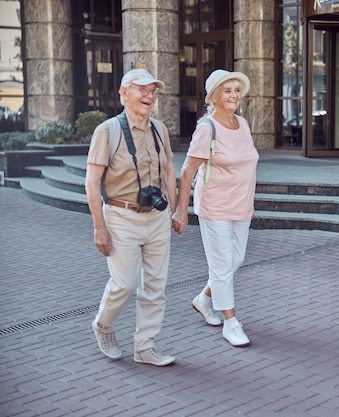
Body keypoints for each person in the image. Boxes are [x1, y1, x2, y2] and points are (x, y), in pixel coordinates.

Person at [85, 68, 178, 366]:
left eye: (153, 91)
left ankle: (144, 346)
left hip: (156, 217)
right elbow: (91, 181)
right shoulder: (108, 131)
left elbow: (168, 170)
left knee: (155, 286)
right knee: (125, 283)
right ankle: (103, 324)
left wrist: (176, 209)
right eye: (143, 90)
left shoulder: (159, 129)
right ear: (124, 93)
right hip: (121, 216)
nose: (149, 96)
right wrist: (100, 227)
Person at [172, 69, 258, 347]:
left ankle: (203, 299)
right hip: (215, 207)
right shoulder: (207, 128)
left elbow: (248, 167)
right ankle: (230, 323)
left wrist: (250, 202)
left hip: (241, 207)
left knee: (235, 260)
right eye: (227, 90)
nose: (234, 95)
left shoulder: (242, 124)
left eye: (236, 90)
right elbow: (187, 172)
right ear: (215, 96)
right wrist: (181, 210)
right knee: (222, 265)